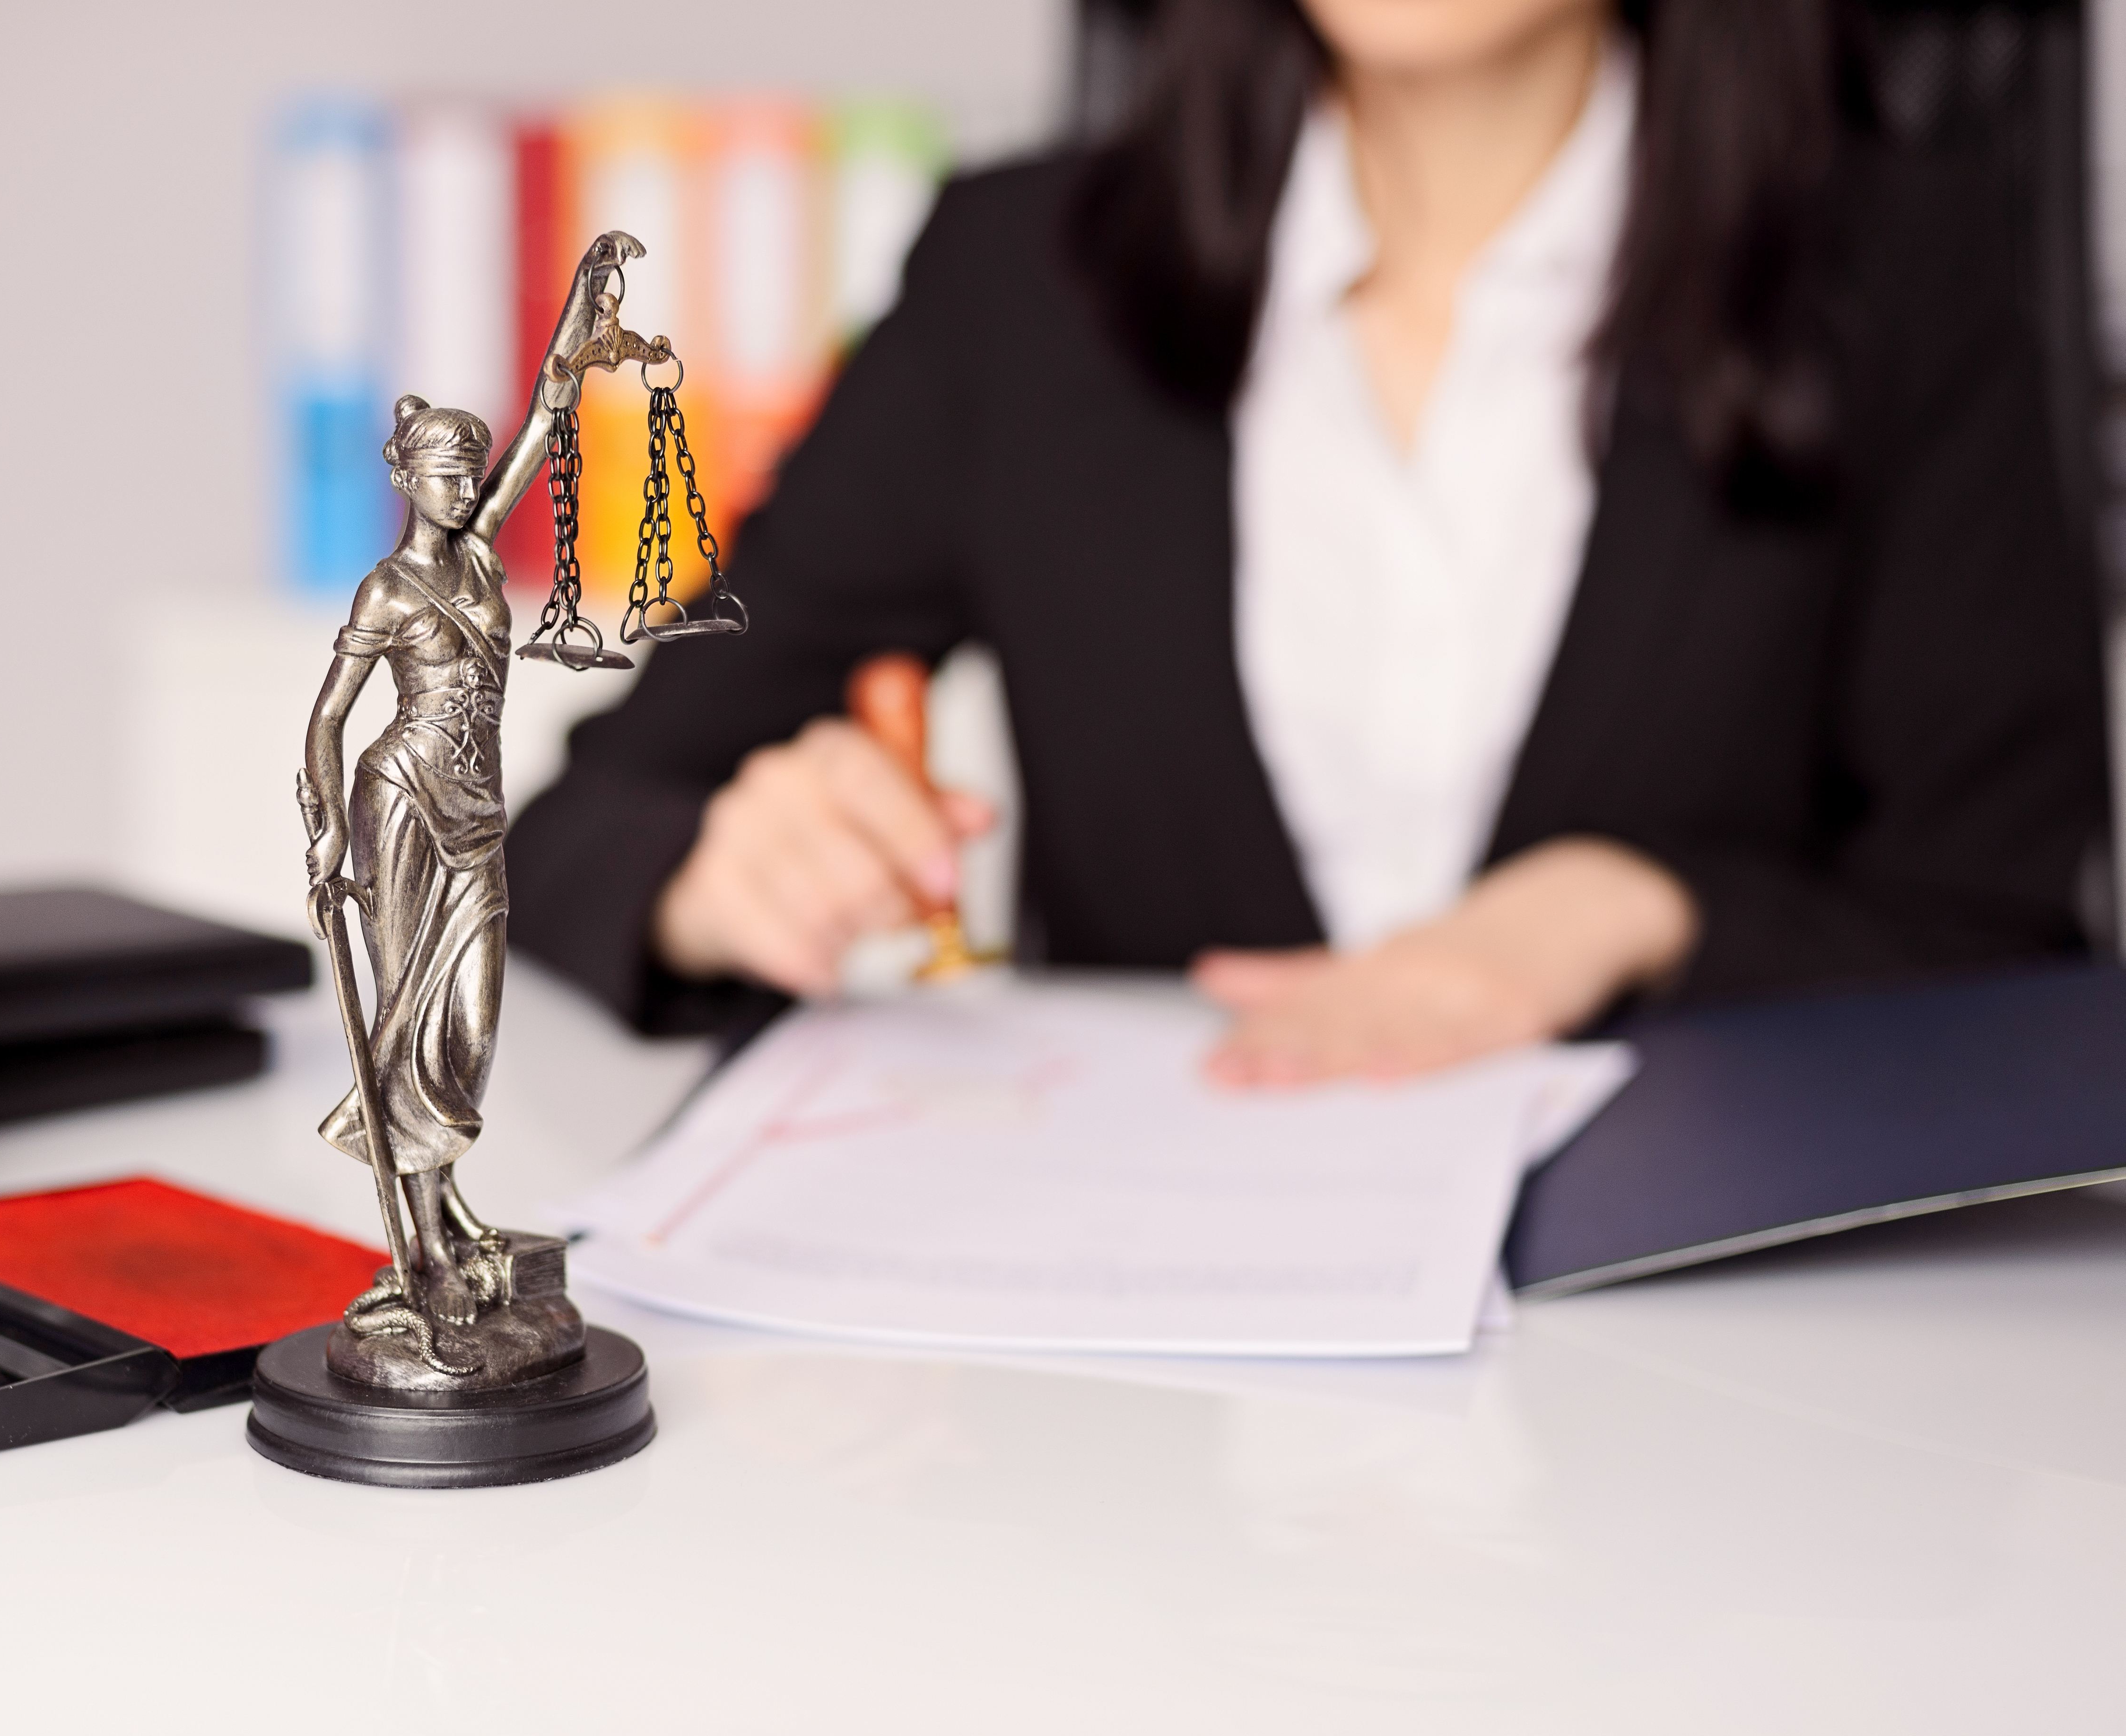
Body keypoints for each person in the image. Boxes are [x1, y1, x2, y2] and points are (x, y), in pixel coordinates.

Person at [506, 0, 2112, 1083]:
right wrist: (718, 883)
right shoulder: (1023, 283)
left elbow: (2011, 945)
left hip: (1723, 1408)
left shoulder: (1912, 279)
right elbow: (582, 823)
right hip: (1157, 1425)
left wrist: (1635, 906)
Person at [302, 233, 642, 1331]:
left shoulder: (485, 559)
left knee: (470, 1026)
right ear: (406, 479)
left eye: (469, 474)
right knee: (403, 1025)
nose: (461, 491)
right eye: (445, 476)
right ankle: (424, 1241)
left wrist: (582, 311)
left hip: (479, 816)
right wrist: (321, 834)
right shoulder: (389, 589)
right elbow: (327, 718)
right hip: (398, 804)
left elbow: (547, 426)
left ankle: (448, 1212)